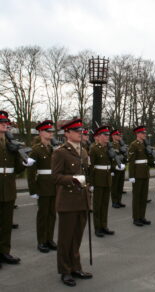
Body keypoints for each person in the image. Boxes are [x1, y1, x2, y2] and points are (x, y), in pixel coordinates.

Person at [51, 119, 92, 287]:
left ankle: (76, 267)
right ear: (67, 133)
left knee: (77, 237)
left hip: (82, 200)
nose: (80, 133)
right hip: (68, 202)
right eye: (76, 131)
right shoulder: (61, 152)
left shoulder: (83, 151)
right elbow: (55, 177)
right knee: (66, 239)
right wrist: (73, 179)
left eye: (81, 130)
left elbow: (87, 172)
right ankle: (65, 271)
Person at [0, 111, 26, 267]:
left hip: (8, 187)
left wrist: (16, 153)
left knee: (6, 222)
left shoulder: (9, 143)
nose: (4, 124)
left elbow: (18, 169)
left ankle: (4, 252)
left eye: (6, 122)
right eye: (1, 122)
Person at [27, 120, 57, 253]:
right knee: (43, 215)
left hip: (53, 185)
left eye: (51, 131)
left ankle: (49, 239)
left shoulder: (53, 149)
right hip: (43, 185)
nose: (50, 133)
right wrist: (32, 189)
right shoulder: (36, 150)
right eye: (47, 131)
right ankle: (41, 241)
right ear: (40, 132)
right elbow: (31, 171)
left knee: (52, 214)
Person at [90, 126, 122, 237]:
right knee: (97, 205)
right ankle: (97, 228)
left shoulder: (109, 148)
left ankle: (104, 226)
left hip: (107, 178)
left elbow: (111, 162)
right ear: (98, 137)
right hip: (98, 180)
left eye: (108, 135)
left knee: (104, 205)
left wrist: (116, 167)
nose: (107, 137)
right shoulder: (94, 148)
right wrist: (91, 183)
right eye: (105, 135)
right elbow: (91, 167)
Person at [128, 126, 153, 226]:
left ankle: (142, 216)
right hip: (137, 174)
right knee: (137, 197)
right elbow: (131, 161)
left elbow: (148, 159)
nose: (145, 135)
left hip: (145, 173)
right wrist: (131, 175)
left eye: (145, 133)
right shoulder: (133, 145)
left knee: (143, 197)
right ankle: (136, 218)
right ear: (137, 134)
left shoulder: (145, 145)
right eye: (142, 133)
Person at [110, 129, 126, 209]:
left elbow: (125, 157)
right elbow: (110, 158)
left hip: (122, 167)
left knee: (120, 185)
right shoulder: (110, 145)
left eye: (120, 135)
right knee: (115, 186)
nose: (120, 136)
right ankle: (114, 202)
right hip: (115, 168)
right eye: (118, 135)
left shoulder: (121, 145)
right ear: (113, 136)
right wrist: (112, 168)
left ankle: (119, 201)